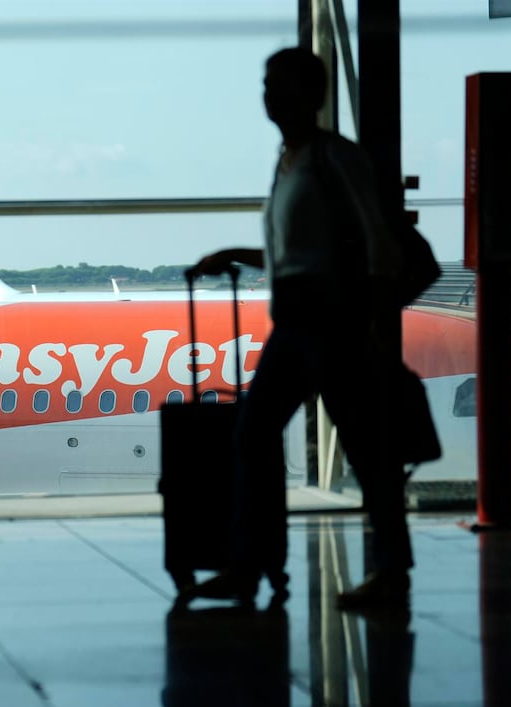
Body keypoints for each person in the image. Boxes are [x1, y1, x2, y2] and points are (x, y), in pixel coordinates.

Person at [184, 47, 413, 609]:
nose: (268, 95)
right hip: (298, 324)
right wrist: (234, 254)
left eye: (278, 84)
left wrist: (373, 322)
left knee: (350, 448)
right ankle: (252, 565)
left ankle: (264, 568)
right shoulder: (289, 161)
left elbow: (379, 245)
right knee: (270, 438)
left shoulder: (334, 158)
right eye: (266, 85)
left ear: (311, 95)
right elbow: (299, 251)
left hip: (331, 324)